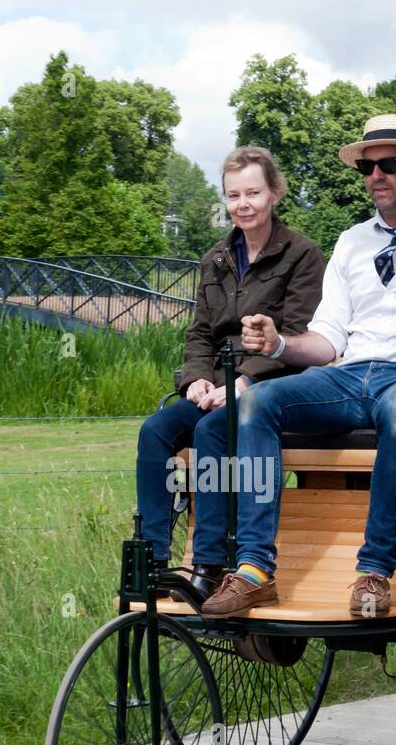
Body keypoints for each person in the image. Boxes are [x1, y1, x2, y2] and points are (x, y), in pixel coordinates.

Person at [200, 114, 396, 617]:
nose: (375, 176)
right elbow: (325, 341)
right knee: (255, 404)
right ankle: (255, 569)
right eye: (368, 166)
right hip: (349, 374)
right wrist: (278, 346)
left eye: (388, 164)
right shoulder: (352, 241)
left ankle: (374, 571)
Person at [135, 146, 325, 599]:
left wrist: (244, 382)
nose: (243, 204)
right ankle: (155, 562)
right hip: (215, 381)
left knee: (211, 431)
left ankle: (209, 561)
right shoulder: (214, 259)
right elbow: (200, 333)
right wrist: (195, 379)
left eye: (253, 193)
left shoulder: (302, 255)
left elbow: (297, 337)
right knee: (156, 431)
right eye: (234, 195)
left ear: (274, 193)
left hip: (271, 385)